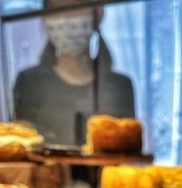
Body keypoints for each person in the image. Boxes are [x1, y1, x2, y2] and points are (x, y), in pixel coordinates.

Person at [13, 0, 135, 144]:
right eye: (57, 10)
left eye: (75, 7)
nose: (66, 19)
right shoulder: (29, 83)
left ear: (98, 13)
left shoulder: (119, 86)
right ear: (45, 17)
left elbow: (128, 151)